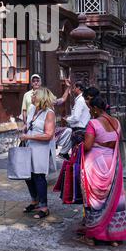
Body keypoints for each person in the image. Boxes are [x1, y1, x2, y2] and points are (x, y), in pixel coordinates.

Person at [79, 95, 126, 247]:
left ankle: (92, 236)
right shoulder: (116, 122)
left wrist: (78, 143)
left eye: (90, 109)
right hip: (112, 163)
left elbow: (87, 146)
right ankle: (113, 237)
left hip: (95, 164)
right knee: (113, 198)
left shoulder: (93, 123)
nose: (90, 112)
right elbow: (119, 140)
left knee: (94, 200)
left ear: (94, 109)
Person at [20, 87, 56, 219]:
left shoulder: (49, 113)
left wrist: (28, 137)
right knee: (27, 175)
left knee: (39, 177)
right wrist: (24, 128)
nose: (32, 96)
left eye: (34, 95)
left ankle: (44, 207)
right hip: (29, 147)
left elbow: (49, 135)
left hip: (41, 149)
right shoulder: (32, 109)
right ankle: (34, 201)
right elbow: (29, 124)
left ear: (41, 97)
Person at [59, 81, 91, 159]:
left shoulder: (80, 100)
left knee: (77, 154)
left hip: (79, 130)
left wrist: (67, 119)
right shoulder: (81, 99)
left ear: (78, 88)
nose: (73, 90)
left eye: (74, 88)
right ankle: (64, 153)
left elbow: (76, 117)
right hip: (81, 129)